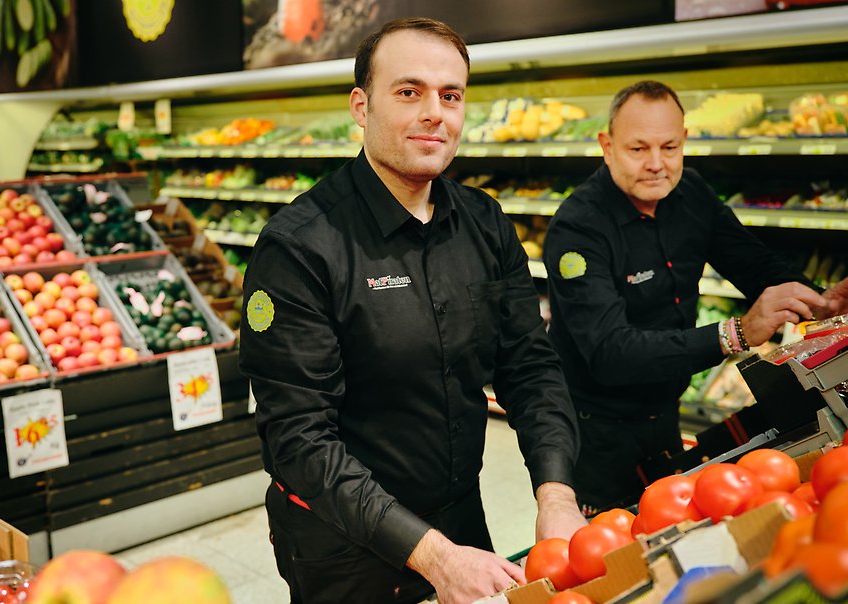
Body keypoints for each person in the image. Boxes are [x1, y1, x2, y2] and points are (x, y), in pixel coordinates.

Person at [239, 17, 587, 604]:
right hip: (345, 547)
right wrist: (433, 556)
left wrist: (556, 493)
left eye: (450, 95)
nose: (435, 112)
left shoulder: (485, 224)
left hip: (461, 522)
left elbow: (530, 368)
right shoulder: (299, 248)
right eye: (409, 92)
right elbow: (299, 439)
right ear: (361, 105)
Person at [542, 80, 848, 514]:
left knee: (670, 520)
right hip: (595, 432)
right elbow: (611, 353)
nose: (656, 164)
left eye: (669, 147)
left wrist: (821, 303)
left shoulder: (692, 194)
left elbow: (753, 264)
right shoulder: (578, 228)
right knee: (611, 543)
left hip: (664, 411)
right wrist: (736, 332)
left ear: (685, 140)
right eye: (637, 149)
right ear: (606, 146)